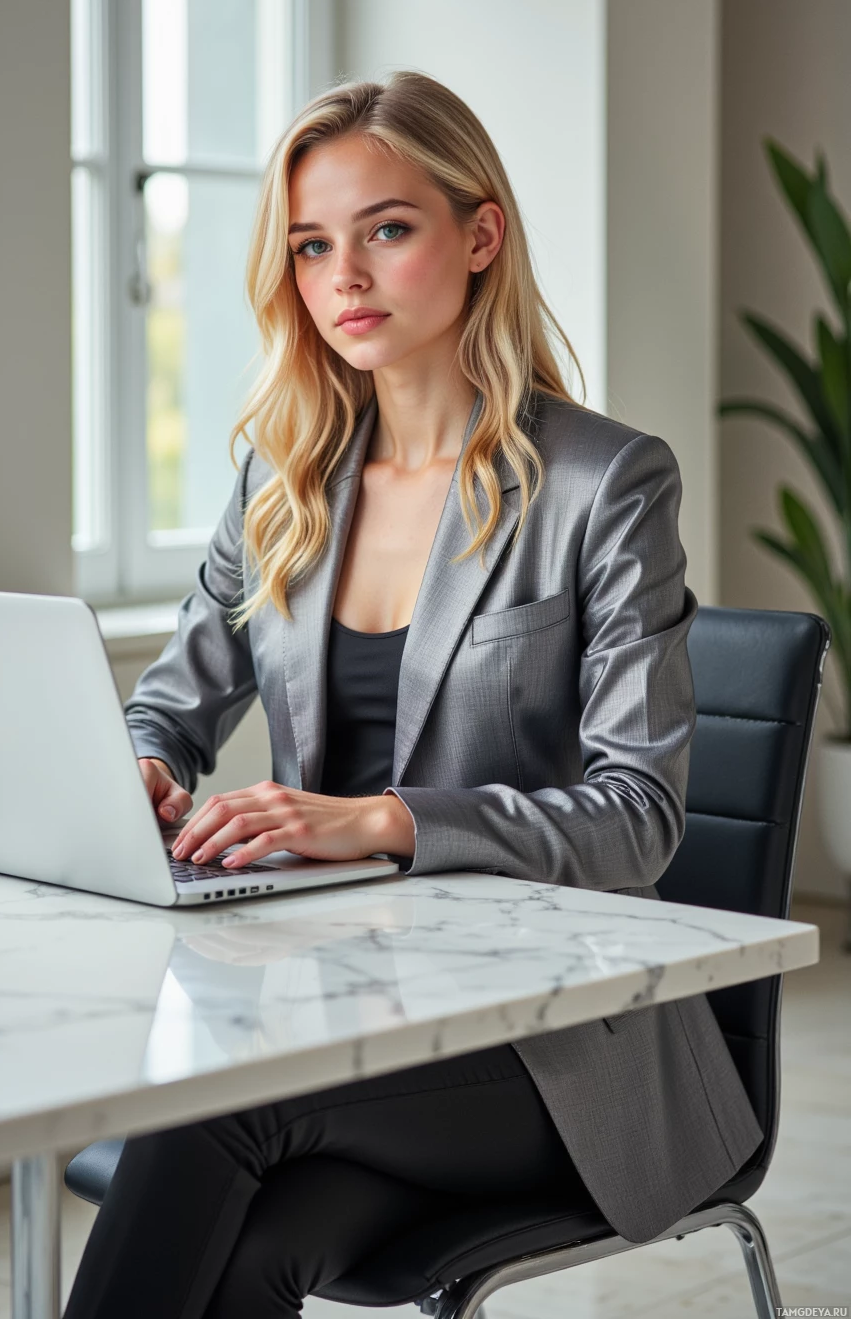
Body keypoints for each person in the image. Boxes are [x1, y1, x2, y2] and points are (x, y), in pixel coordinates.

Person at [64, 72, 763, 1319]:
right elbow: (167, 709)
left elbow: (637, 816)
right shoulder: (283, 481)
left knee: (216, 1108)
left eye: (385, 229)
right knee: (257, 1239)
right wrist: (148, 767)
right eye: (311, 245)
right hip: (342, 1013)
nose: (344, 277)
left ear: (477, 235)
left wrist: (385, 818)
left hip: (553, 1048)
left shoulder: (604, 485)